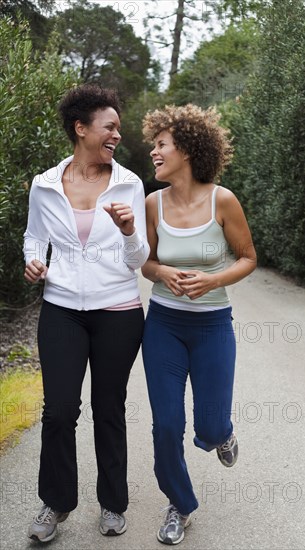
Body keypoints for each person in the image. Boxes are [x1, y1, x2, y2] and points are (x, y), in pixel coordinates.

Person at [24, 83, 149, 543]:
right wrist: (33, 261)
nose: (118, 134)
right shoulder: (44, 184)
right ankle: (55, 504)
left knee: (108, 407)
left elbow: (139, 260)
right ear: (81, 128)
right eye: (109, 126)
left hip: (118, 310)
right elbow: (34, 237)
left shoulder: (129, 184)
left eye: (119, 127)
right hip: (61, 310)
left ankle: (113, 503)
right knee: (58, 411)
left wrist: (130, 229)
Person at [141, 104, 257, 545]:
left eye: (161, 144)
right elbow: (147, 263)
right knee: (166, 423)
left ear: (186, 150)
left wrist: (213, 279)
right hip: (164, 326)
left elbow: (248, 257)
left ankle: (221, 434)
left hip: (213, 327)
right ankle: (180, 505)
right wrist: (162, 273)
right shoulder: (153, 204)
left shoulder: (222, 200)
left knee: (208, 427)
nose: (154, 152)